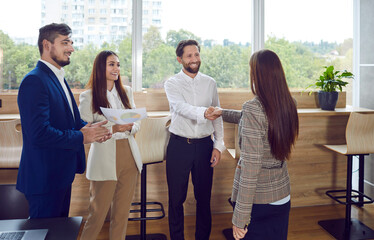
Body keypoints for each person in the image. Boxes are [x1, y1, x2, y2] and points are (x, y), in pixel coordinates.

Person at [17, 23, 111, 219]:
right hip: (44, 179)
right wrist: (81, 137)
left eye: (72, 42)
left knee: (58, 233)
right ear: (46, 44)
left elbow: (69, 122)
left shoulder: (58, 77)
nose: (71, 48)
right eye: (65, 43)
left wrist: (91, 130)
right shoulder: (34, 81)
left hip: (60, 175)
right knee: (44, 233)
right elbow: (39, 134)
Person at [206, 49, 299, 240]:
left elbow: (250, 168)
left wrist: (239, 218)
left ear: (257, 75)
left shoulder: (254, 108)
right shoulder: (289, 103)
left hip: (260, 202)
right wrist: (223, 112)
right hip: (282, 196)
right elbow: (262, 121)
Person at [164, 39, 225, 240]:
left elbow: (218, 116)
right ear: (179, 59)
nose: (194, 59)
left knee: (203, 199)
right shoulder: (172, 83)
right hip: (179, 146)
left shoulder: (210, 83)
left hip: (205, 146)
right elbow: (180, 107)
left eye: (196, 54)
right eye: (189, 55)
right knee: (175, 199)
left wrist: (218, 145)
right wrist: (204, 113)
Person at [79, 50, 142, 240]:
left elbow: (136, 120)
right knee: (97, 214)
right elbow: (84, 129)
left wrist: (131, 127)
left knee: (122, 215)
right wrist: (114, 128)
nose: (116, 68)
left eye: (118, 64)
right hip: (104, 157)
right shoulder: (88, 96)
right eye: (111, 64)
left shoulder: (126, 92)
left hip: (129, 155)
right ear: (101, 67)